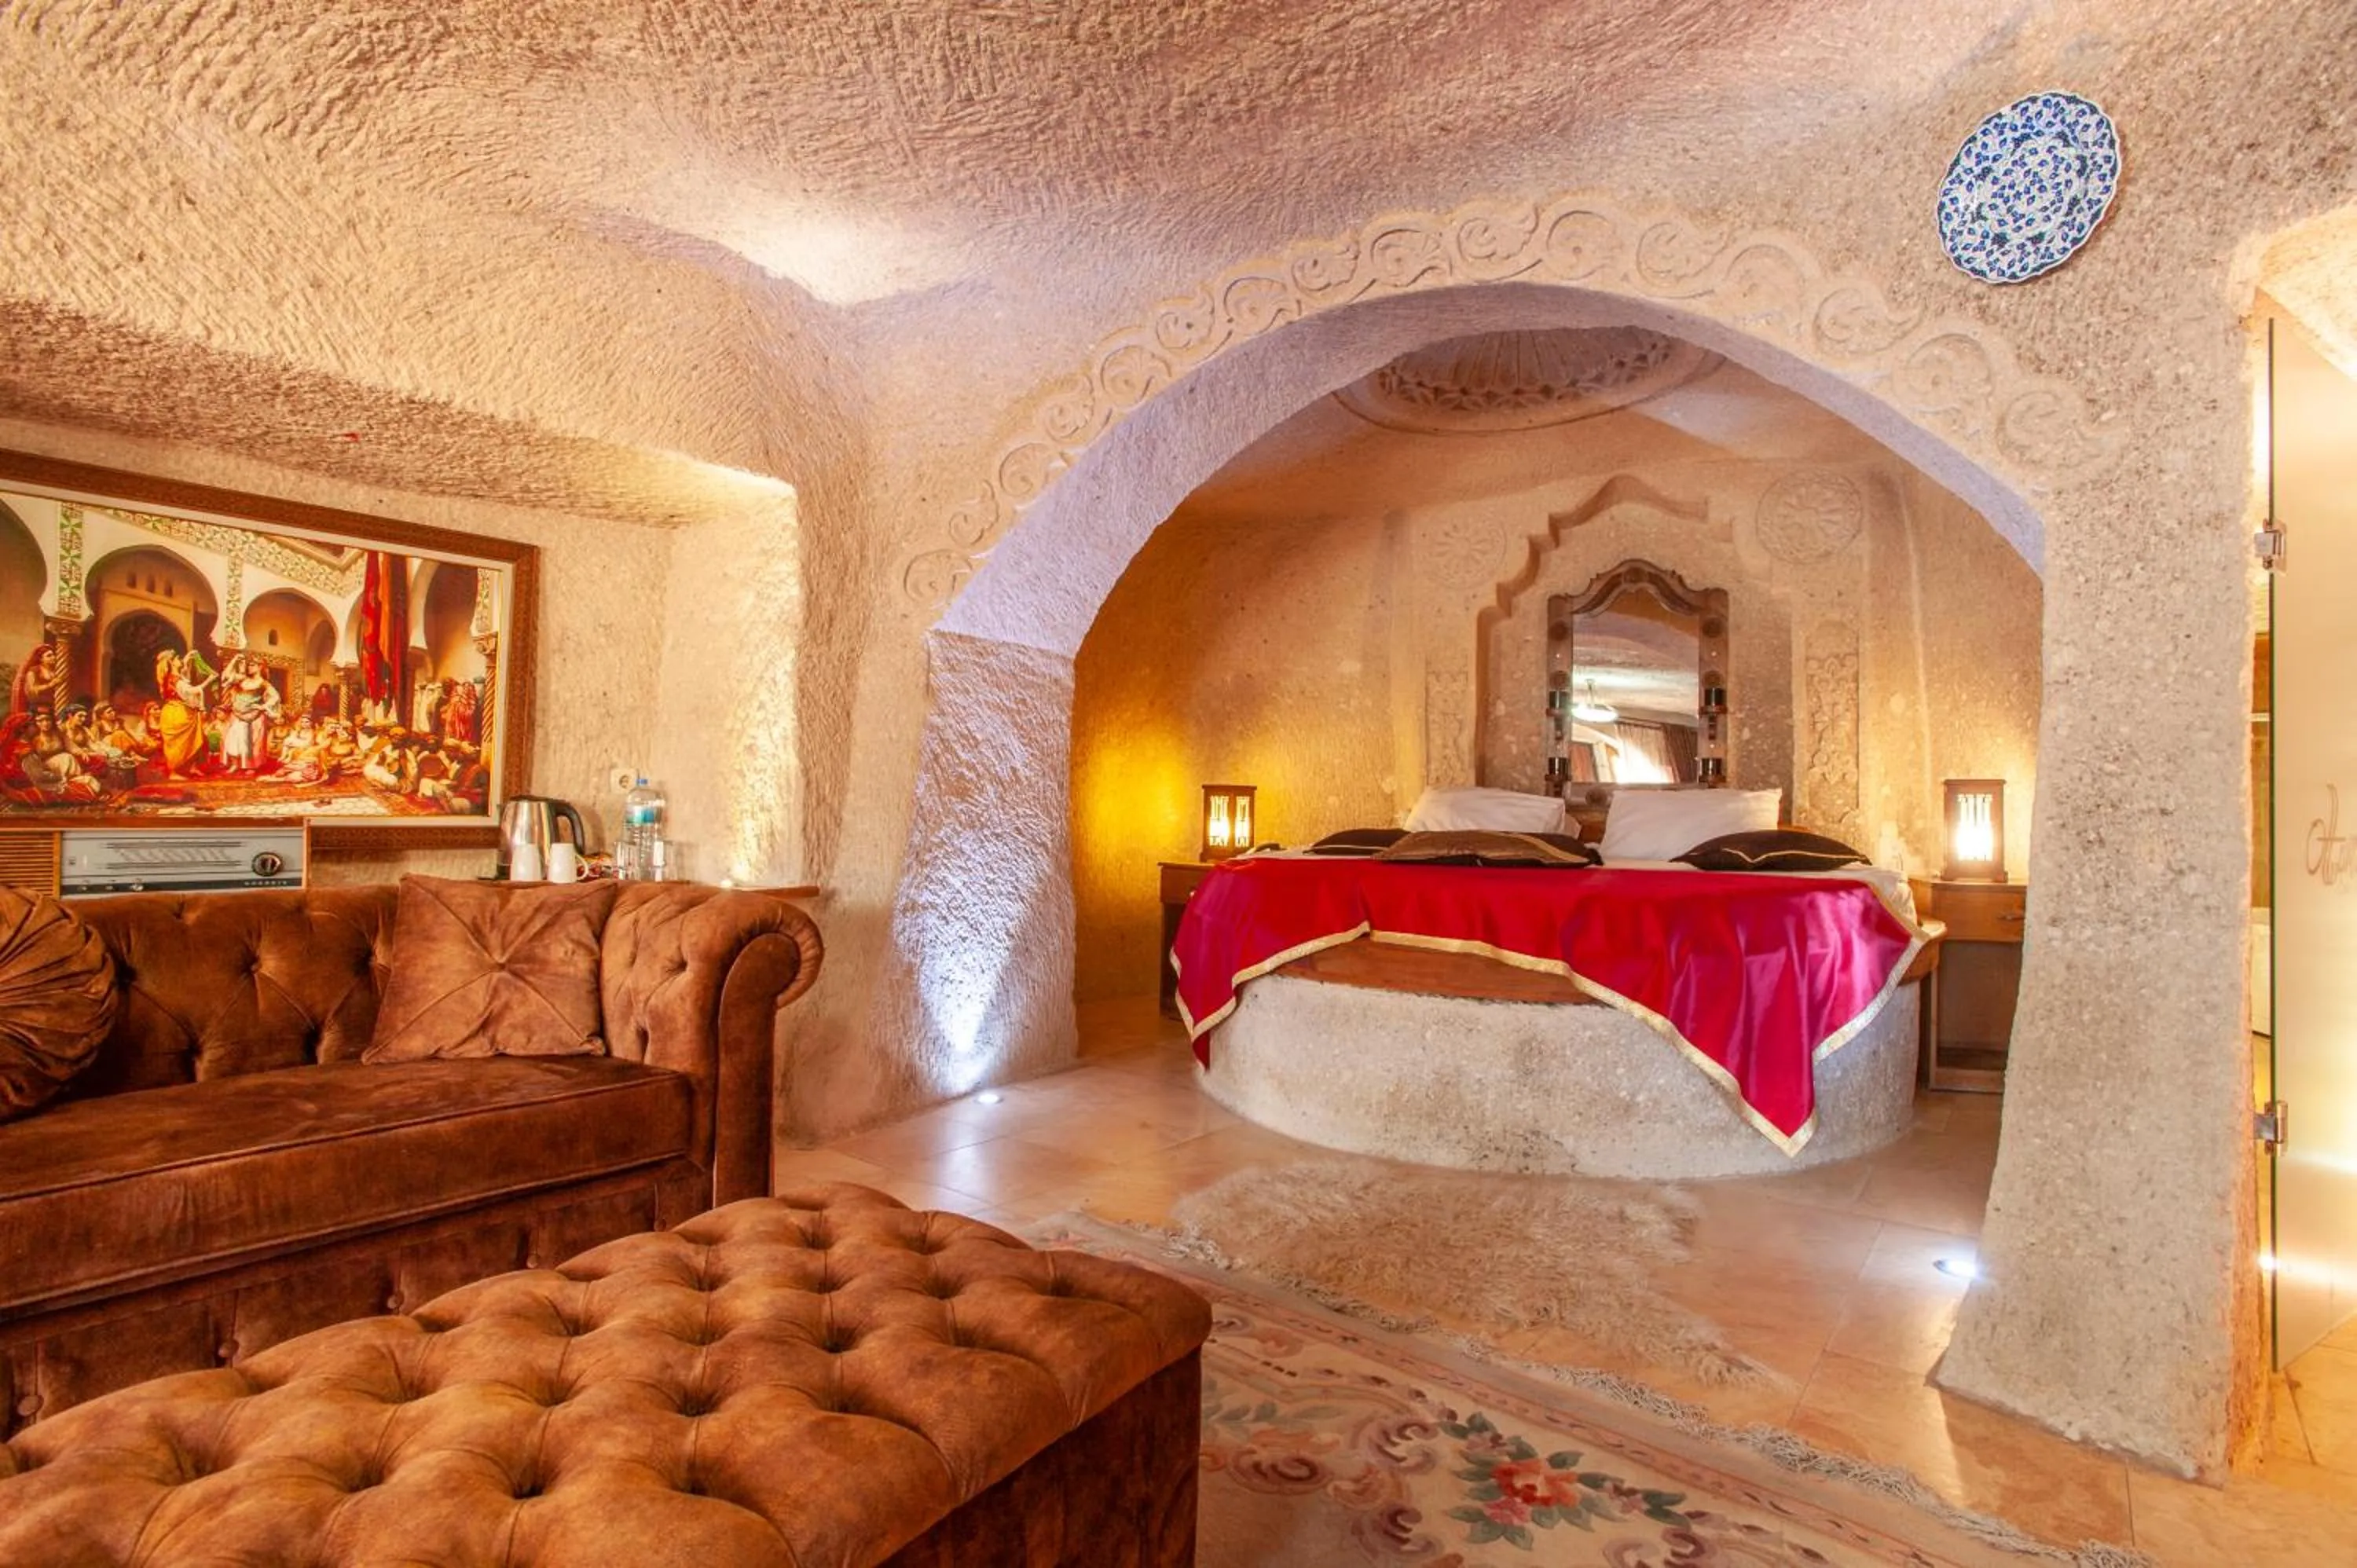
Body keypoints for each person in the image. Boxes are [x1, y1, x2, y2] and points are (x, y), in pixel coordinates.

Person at [153, 650, 214, 778]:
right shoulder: (175, 679)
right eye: (177, 658)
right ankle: (173, 773)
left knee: (196, 740)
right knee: (179, 744)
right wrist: (210, 679)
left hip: (180, 711)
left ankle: (192, 767)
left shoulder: (175, 676)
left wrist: (188, 658)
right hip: (177, 713)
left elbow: (184, 674)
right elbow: (192, 691)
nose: (180, 660)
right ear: (171, 662)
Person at [220, 654, 281, 775]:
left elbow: (275, 697)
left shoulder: (264, 683)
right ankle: (235, 764)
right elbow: (227, 675)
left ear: (260, 667)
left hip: (254, 717)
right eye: (249, 665)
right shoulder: (242, 679)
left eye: (252, 665)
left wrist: (263, 706)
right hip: (237, 714)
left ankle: (251, 766)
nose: (249, 667)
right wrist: (234, 660)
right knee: (233, 739)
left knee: (252, 742)